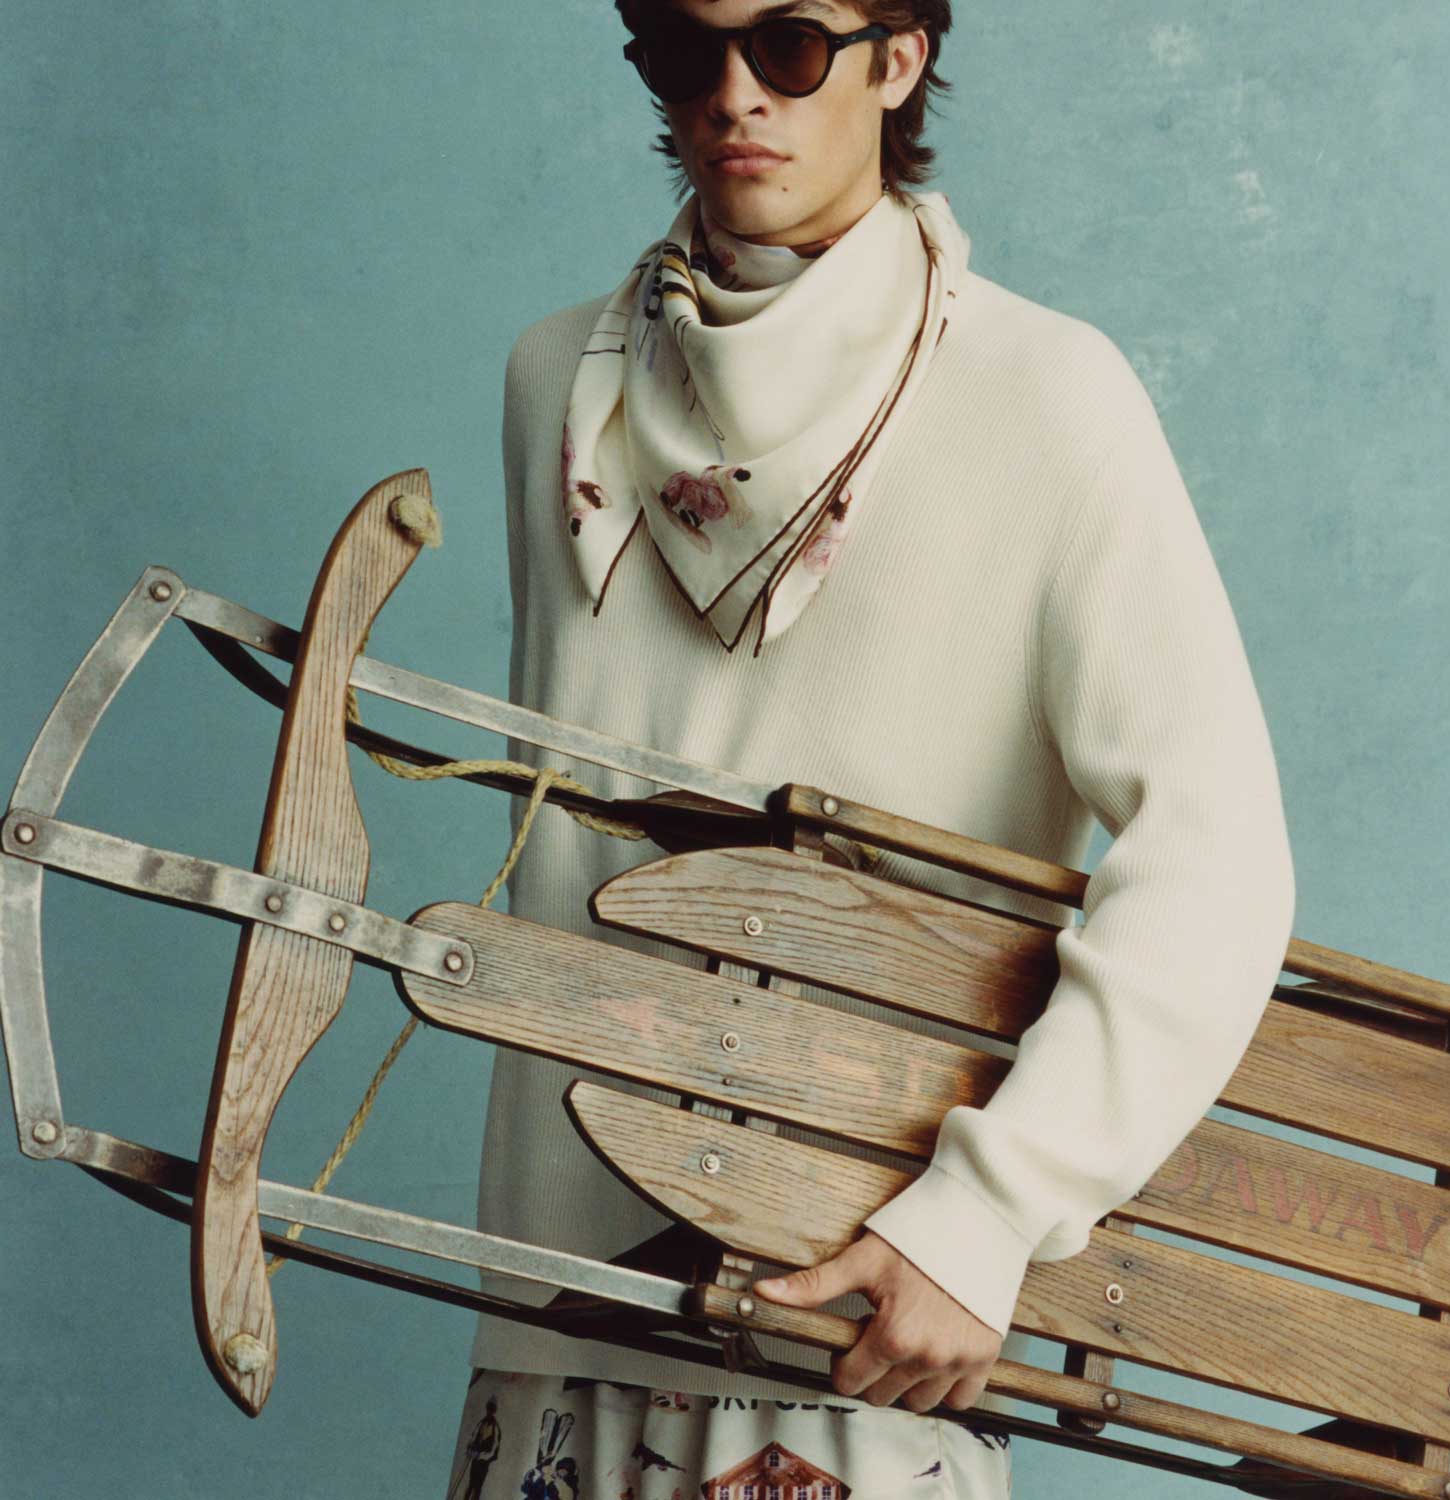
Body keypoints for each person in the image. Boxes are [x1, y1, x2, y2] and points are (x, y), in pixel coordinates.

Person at [444, 0, 1296, 1494]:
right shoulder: (555, 388)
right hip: (557, 1305)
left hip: (856, 1302)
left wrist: (983, 1215)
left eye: (786, 44)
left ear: (897, 57)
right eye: (679, 49)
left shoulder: (1045, 394)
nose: (730, 96)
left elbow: (1217, 854)